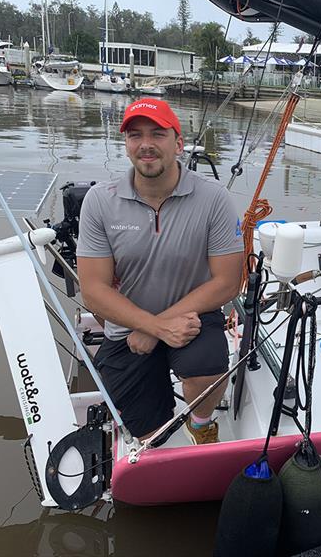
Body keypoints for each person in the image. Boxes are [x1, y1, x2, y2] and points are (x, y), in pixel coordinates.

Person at [76, 98, 244, 445]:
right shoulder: (99, 201)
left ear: (178, 144)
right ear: (126, 145)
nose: (146, 144)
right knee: (151, 437)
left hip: (194, 315)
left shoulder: (214, 198)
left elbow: (228, 281)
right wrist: (152, 327)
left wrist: (159, 327)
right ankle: (161, 427)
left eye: (157, 134)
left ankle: (200, 423)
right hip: (127, 329)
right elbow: (93, 291)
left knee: (208, 368)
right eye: (135, 135)